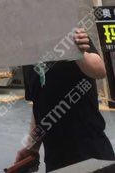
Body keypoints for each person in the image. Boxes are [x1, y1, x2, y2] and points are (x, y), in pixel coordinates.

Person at [13, 28, 114, 171]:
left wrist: (79, 54)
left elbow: (100, 70)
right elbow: (39, 105)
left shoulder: (68, 35)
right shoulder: (29, 59)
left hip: (90, 154)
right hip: (55, 160)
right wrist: (32, 147)